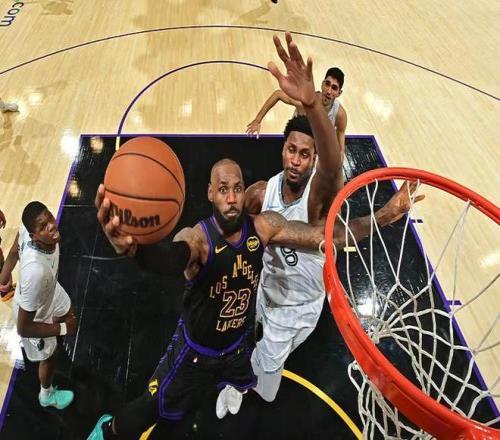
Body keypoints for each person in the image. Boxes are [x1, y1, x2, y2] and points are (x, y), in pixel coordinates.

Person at [217, 32, 424, 410]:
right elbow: (236, 235)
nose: (297, 160)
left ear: (314, 160)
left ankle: (245, 387)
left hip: (298, 308)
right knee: (245, 330)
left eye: (306, 154)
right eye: (292, 150)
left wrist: (385, 215)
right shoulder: (261, 193)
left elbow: (337, 213)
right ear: (283, 150)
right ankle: (242, 373)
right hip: (266, 289)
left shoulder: (319, 201)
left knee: (267, 385)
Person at [87, 157, 336, 439]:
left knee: (220, 393)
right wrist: (136, 251)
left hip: (235, 347)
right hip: (195, 353)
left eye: (237, 189)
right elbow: (172, 257)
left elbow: (321, 236)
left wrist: (374, 219)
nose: (231, 198)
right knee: (150, 407)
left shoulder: (263, 227)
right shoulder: (199, 239)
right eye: (223, 189)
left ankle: (227, 392)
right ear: (210, 193)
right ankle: (108, 431)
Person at [13, 201, 77, 409]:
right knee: (50, 356)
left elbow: (15, 248)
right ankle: (46, 395)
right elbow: (24, 327)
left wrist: (4, 278)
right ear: (34, 236)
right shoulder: (36, 272)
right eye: (43, 227)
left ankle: (54, 336)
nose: (51, 226)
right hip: (33, 313)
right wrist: (62, 328)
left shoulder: (27, 230)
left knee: (69, 312)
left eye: (49, 217)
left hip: (48, 289)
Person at [246, 67, 347, 156]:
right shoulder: (305, 101)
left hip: (315, 146)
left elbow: (340, 137)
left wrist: (340, 155)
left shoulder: (340, 114)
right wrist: (258, 120)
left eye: (334, 88)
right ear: (322, 84)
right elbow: (278, 94)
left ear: (339, 93)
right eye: (327, 84)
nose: (328, 91)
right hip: (296, 140)